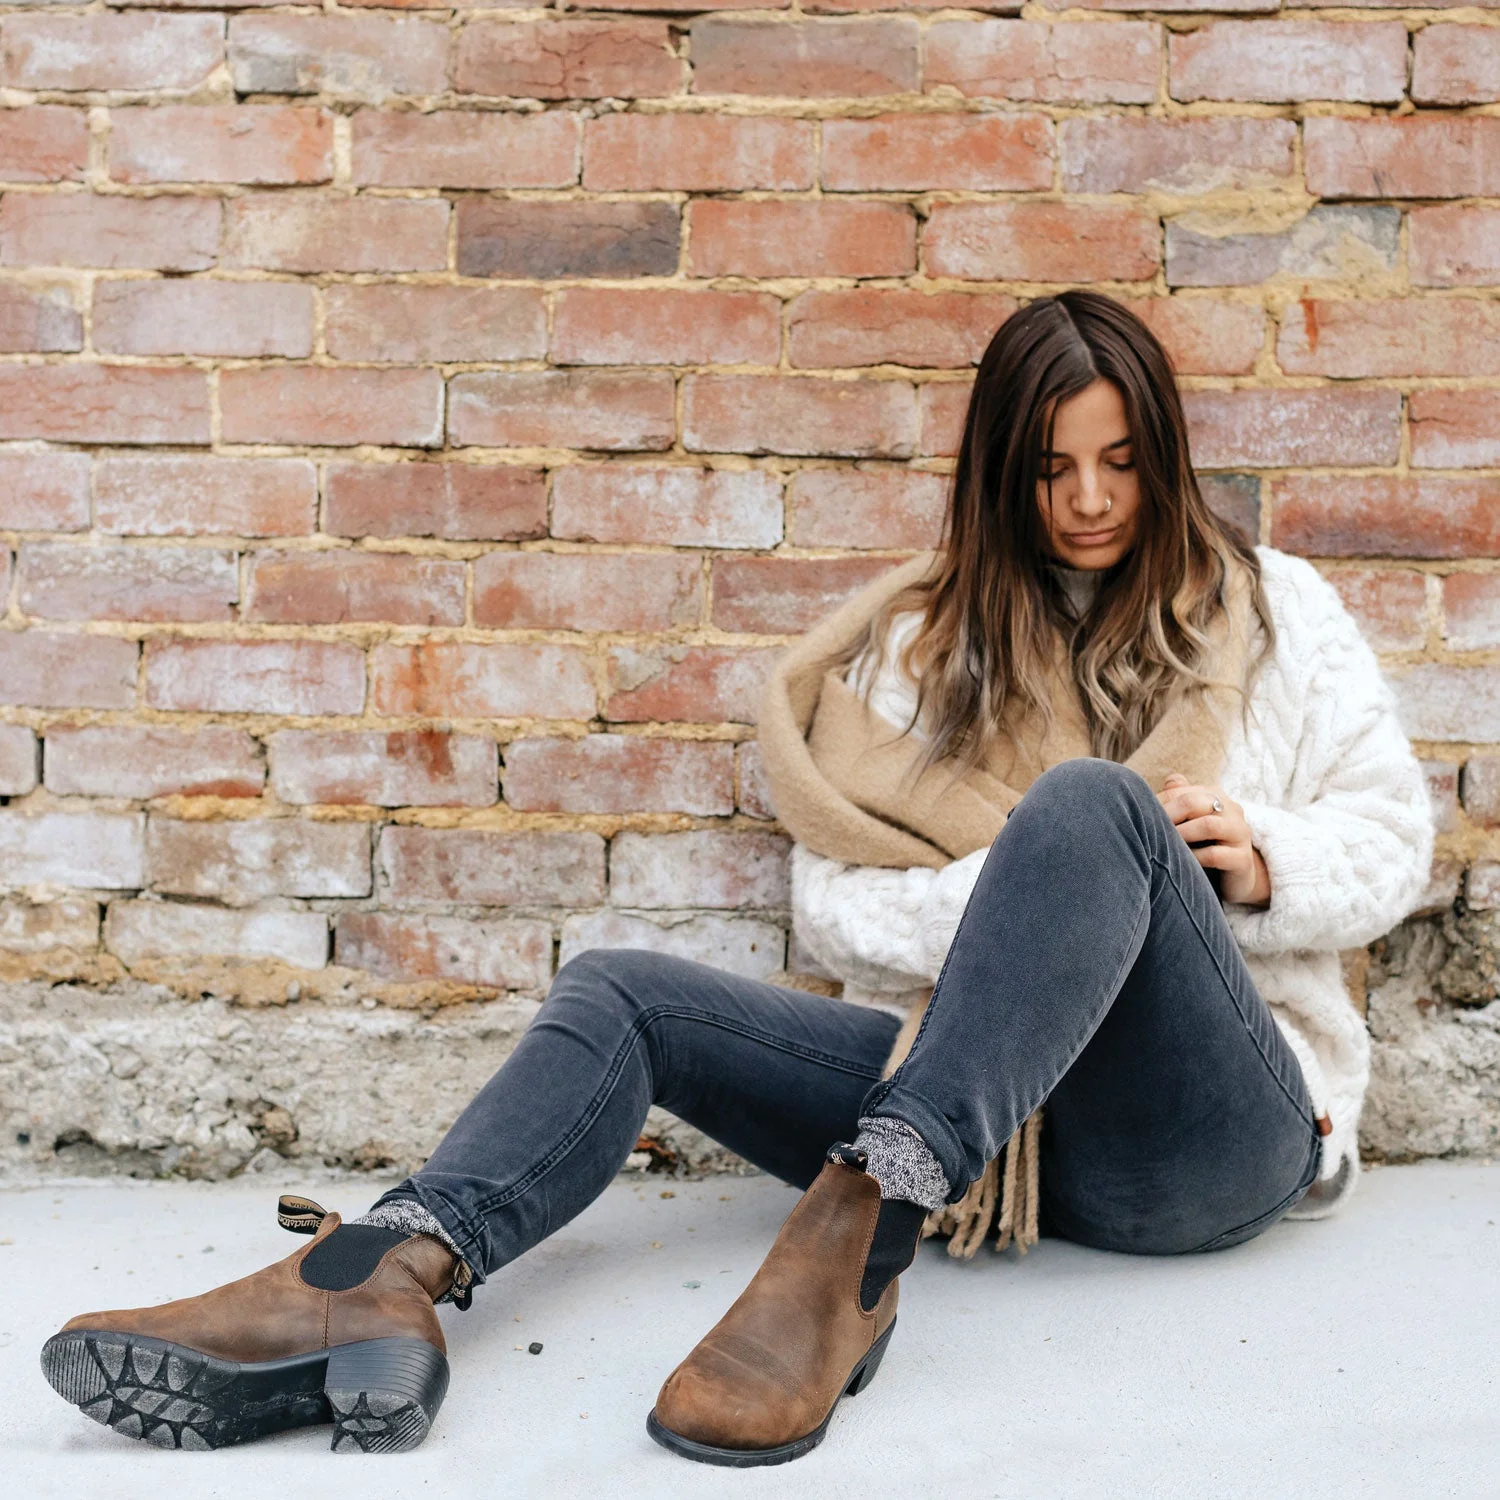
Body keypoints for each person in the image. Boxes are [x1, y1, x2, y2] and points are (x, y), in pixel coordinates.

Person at [39, 290, 1435, 1464]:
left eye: (1122, 462)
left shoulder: (1274, 610)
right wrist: (1037, 903)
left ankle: (852, 1240)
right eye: (1051, 468)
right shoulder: (923, 652)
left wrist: (1259, 861)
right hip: (984, 1133)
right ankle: (377, 1275)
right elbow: (833, 903)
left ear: (1165, 456)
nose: (1087, 501)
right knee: (624, 995)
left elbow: (1391, 835)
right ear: (999, 471)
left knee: (1094, 810)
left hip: (1205, 1139)